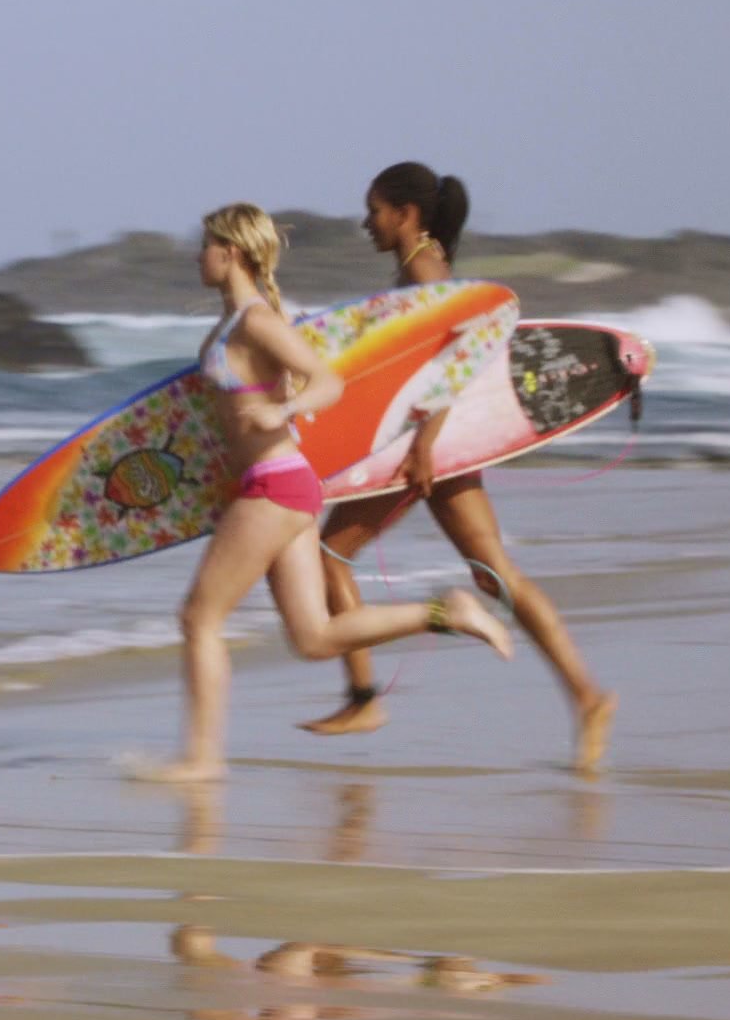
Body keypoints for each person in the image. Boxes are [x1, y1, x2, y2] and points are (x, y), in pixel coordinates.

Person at [139, 203, 511, 783]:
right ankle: (447, 612)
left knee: (198, 618)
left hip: (274, 487)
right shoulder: (232, 323)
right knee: (313, 638)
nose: (197, 255)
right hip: (280, 487)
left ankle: (203, 758)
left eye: (206, 245)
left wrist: (282, 410)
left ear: (230, 252)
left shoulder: (257, 322)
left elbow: (327, 382)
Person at [298, 163, 616, 771]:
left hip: (425, 449)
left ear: (406, 214)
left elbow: (460, 359)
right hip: (442, 447)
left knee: (328, 555)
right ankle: (586, 695)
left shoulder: (424, 271)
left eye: (374, 210)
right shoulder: (425, 267)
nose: (366, 222)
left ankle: (363, 698)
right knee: (494, 574)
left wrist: (423, 445)